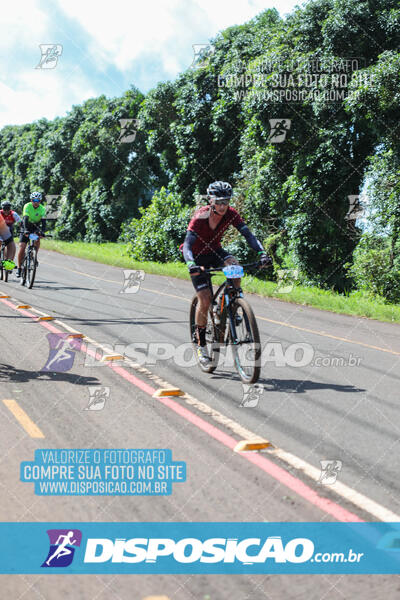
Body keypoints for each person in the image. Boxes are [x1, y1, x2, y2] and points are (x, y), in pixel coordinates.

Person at [182, 181, 271, 366]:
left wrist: (262, 253)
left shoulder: (231, 214)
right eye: (219, 202)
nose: (223, 206)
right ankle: (200, 345)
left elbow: (248, 235)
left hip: (215, 252)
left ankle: (233, 302)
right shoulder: (201, 216)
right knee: (205, 299)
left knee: (236, 267)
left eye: (226, 201)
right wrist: (191, 264)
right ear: (211, 201)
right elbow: (188, 245)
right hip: (197, 258)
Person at [16, 192, 46, 278]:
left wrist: (43, 232)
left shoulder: (42, 208)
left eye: (38, 200)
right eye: (34, 200)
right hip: (26, 225)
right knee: (22, 246)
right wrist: (25, 230)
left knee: (38, 238)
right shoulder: (27, 206)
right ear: (31, 200)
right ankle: (19, 268)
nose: (36, 202)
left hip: (35, 226)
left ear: (40, 201)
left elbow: (44, 222)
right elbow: (25, 219)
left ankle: (34, 255)